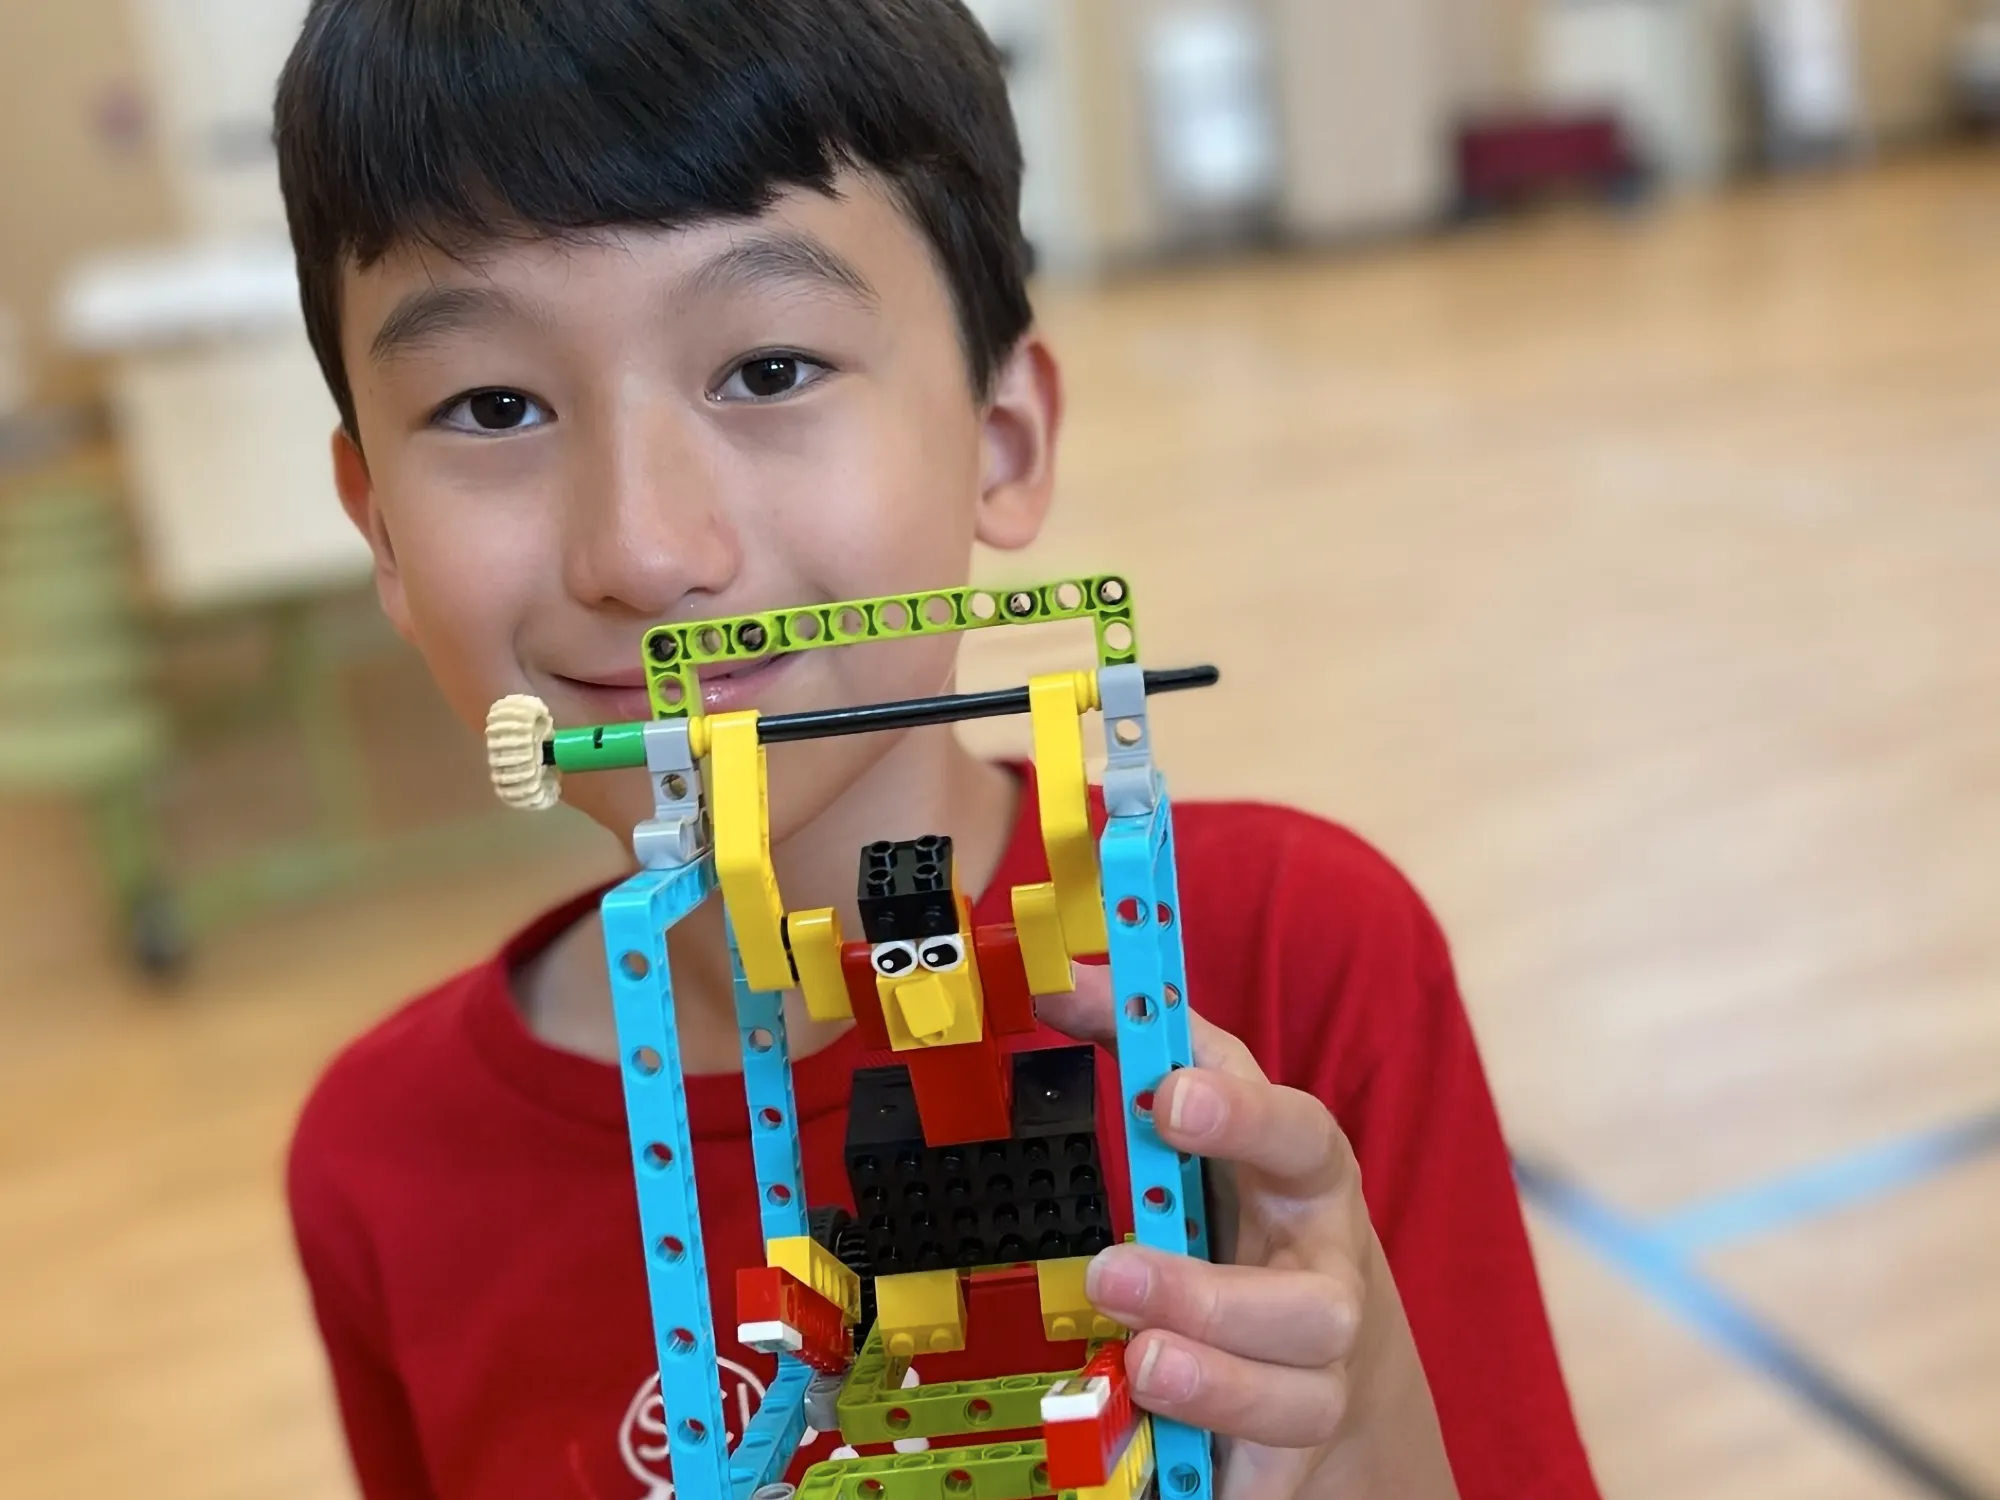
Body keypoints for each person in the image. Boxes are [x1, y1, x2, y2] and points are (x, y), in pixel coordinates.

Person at [272, 3, 1602, 1498]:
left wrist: (1362, 1438)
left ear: (1004, 443)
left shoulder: (1299, 960)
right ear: (382, 533)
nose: (643, 551)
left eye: (769, 371)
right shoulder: (378, 1168)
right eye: (495, 405)